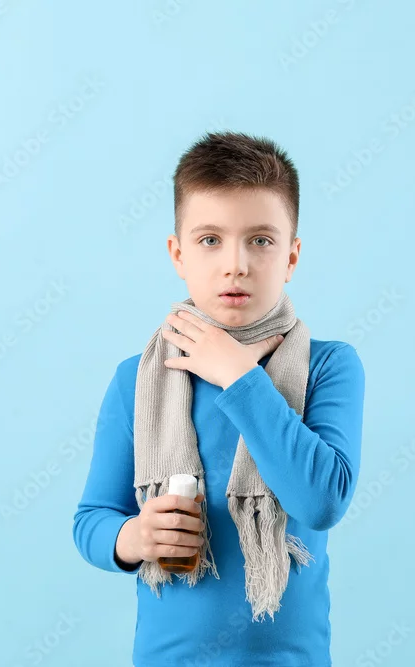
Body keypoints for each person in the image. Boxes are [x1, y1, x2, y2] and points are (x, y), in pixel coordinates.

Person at [71, 131, 366, 666]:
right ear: (178, 254)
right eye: (210, 240)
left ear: (291, 256)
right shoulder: (137, 379)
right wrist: (135, 536)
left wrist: (238, 375)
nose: (236, 264)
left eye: (261, 240)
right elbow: (92, 518)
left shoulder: (328, 367)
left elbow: (321, 502)